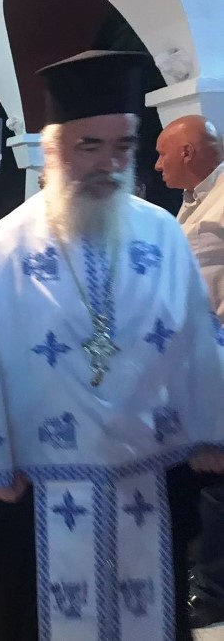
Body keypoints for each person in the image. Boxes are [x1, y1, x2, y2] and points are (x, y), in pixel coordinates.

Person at [0, 50, 224, 641]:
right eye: (90, 146)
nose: (108, 163)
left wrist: (210, 427)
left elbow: (196, 342)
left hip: (143, 491)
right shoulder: (0, 252)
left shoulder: (162, 237)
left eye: (122, 146)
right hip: (33, 501)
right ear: (54, 151)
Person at [155, 114, 224, 629]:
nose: (156, 165)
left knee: (216, 479)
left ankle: (214, 591)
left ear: (187, 152)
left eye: (162, 154)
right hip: (191, 366)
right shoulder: (191, 203)